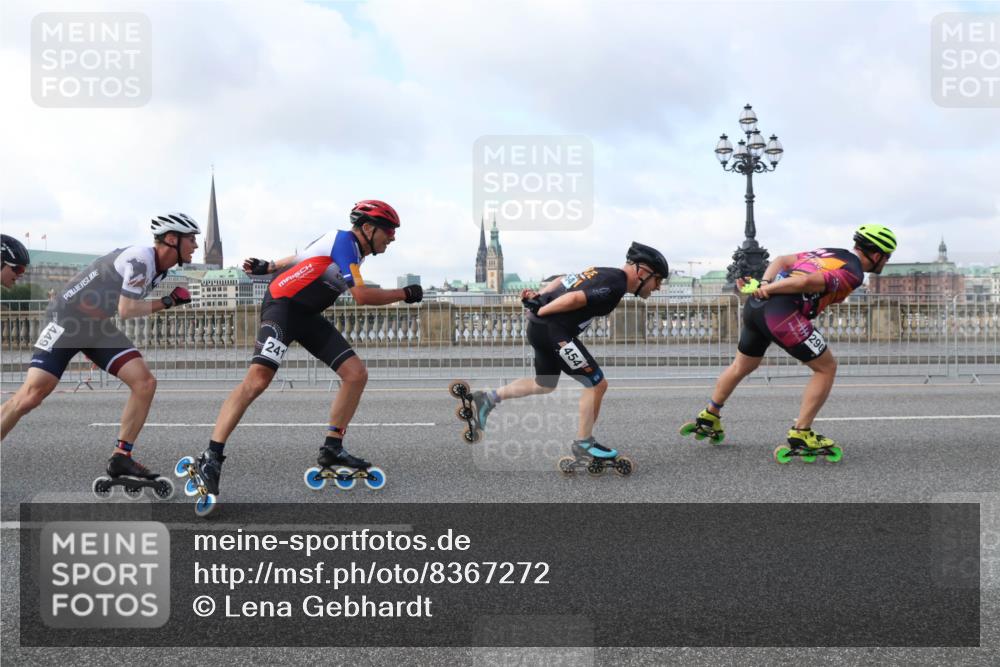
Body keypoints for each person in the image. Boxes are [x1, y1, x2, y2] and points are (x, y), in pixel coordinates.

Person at [193, 200, 423, 494]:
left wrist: (270, 265)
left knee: (356, 374)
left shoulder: (349, 249)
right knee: (257, 381)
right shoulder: (345, 242)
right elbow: (362, 296)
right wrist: (404, 293)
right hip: (283, 310)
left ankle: (333, 448)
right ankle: (211, 457)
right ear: (368, 228)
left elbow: (301, 255)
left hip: (307, 315)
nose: (392, 237)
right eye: (389, 230)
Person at [0, 214, 198, 488]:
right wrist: (168, 301)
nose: (196, 245)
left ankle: (121, 457)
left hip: (95, 326)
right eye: (191, 239)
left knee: (144, 382)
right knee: (29, 397)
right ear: (172, 239)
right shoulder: (140, 259)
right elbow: (126, 310)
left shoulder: (160, 269)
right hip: (66, 320)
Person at [680, 224, 897, 460]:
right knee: (826, 368)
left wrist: (764, 284)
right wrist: (771, 288)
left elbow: (783, 260)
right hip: (782, 313)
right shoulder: (853, 272)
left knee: (741, 366)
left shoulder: (831, 252)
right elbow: (806, 283)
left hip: (755, 307)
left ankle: (710, 415)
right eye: (887, 257)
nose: (885, 263)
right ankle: (801, 432)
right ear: (877, 255)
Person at [463, 242, 669, 470]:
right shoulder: (615, 285)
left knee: (545, 383)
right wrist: (541, 309)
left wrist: (538, 297)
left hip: (540, 329)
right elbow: (575, 299)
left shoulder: (603, 271)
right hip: (554, 332)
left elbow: (562, 280)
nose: (658, 287)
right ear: (641, 272)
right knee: (596, 384)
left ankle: (488, 398)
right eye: (657, 279)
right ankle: (584, 444)